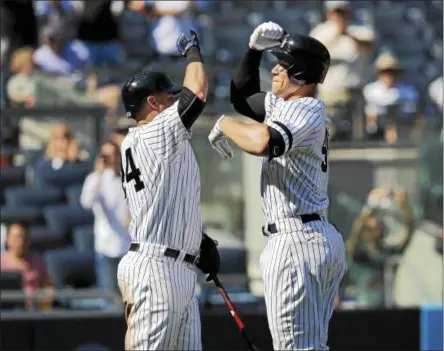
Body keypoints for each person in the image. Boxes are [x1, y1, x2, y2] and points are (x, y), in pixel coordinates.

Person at [208, 22, 347, 350]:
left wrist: (226, 124)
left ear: (300, 75)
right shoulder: (286, 105)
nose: (274, 70)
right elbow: (242, 98)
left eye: (282, 65)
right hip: (307, 236)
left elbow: (263, 142)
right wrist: (252, 51)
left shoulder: (306, 108)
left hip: (299, 241)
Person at [117, 30, 219, 350]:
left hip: (175, 267)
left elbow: (165, 198)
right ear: (152, 102)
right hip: (155, 267)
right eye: (168, 96)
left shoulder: (147, 141)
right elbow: (197, 93)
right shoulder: (152, 132)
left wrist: (197, 240)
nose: (173, 100)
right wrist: (192, 50)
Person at [80, 140, 131, 295]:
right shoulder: (94, 179)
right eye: (106, 155)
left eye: (114, 154)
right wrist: (99, 174)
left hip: (129, 246)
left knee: (130, 296)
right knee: (109, 295)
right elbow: (86, 203)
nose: (111, 158)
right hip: (105, 245)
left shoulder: (128, 178)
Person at [0, 222, 52, 308]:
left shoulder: (38, 260)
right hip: (7, 310)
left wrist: (46, 297)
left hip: (34, 310)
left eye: (24, 237)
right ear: (8, 239)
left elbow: (47, 285)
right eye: (17, 237)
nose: (21, 241)